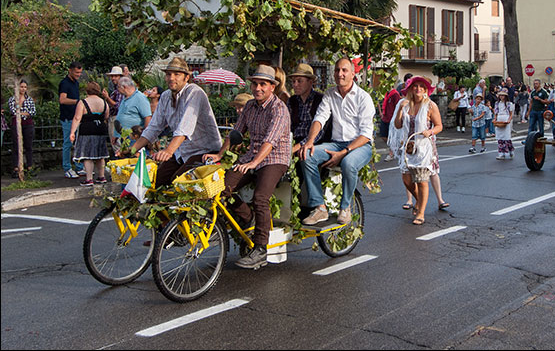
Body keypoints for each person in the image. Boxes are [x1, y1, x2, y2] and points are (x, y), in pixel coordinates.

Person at [203, 65, 291, 269]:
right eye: (255, 84)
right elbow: (236, 132)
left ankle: (260, 249)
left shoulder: (279, 109)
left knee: (261, 197)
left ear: (272, 87)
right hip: (252, 156)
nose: (257, 88)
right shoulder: (250, 106)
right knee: (220, 188)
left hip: (274, 158)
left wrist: (253, 163)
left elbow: (270, 141)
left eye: (262, 84)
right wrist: (219, 155)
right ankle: (247, 217)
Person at [300, 57, 375, 226]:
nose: (339, 74)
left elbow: (366, 134)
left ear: (353, 74)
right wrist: (310, 141)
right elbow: (320, 118)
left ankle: (345, 207)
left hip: (359, 145)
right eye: (337, 70)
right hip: (336, 143)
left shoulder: (363, 98)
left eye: (344, 70)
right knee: (307, 154)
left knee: (348, 163)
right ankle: (320, 207)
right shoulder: (330, 94)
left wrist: (343, 153)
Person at [129, 57, 222, 188]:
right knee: (154, 182)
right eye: (168, 74)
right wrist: (132, 149)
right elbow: (153, 127)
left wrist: (168, 151)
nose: (171, 78)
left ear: (186, 78)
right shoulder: (166, 96)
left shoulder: (195, 92)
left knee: (177, 184)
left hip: (204, 152)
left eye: (177, 74)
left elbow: (185, 128)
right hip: (181, 153)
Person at [393, 76, 443, 225]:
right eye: (415, 86)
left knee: (422, 181)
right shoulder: (406, 105)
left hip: (423, 148)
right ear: (410, 89)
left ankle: (421, 212)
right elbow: (397, 125)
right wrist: (400, 110)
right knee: (407, 180)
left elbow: (439, 125)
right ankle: (419, 200)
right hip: (408, 147)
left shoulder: (430, 105)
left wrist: (431, 131)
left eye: (422, 86)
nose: (418, 89)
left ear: (426, 89)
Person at [70, 82, 109, 186]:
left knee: (87, 155)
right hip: (100, 130)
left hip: (87, 130)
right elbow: (106, 116)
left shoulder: (83, 102)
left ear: (87, 91)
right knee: (101, 155)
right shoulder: (104, 102)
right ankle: (102, 176)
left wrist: (72, 132)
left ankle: (89, 178)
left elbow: (77, 117)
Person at [59, 61, 85, 178]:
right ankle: (67, 167)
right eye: (76, 72)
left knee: (78, 143)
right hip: (67, 118)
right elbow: (62, 100)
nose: (78, 74)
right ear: (70, 70)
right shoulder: (64, 83)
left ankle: (78, 167)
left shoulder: (76, 83)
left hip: (76, 117)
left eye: (80, 72)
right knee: (68, 143)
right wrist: (77, 102)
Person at [8, 79, 36, 177]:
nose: (23, 89)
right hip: (16, 123)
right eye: (21, 86)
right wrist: (22, 112)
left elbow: (32, 112)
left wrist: (21, 113)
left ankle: (29, 167)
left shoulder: (29, 99)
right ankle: (16, 168)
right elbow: (13, 111)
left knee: (28, 146)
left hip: (28, 124)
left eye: (25, 87)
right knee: (16, 146)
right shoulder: (12, 99)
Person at [115, 76, 152, 145]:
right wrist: (116, 135)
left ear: (124, 87)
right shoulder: (125, 98)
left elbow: (147, 117)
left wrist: (145, 137)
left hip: (134, 137)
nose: (117, 89)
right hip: (124, 136)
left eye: (118, 87)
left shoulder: (140, 98)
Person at [103, 66, 125, 150]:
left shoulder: (120, 89)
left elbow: (117, 106)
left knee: (116, 142)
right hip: (115, 117)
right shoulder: (116, 89)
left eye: (115, 76)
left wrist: (107, 98)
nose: (113, 78)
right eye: (112, 76)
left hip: (116, 117)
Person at [379, 83, 402, 162]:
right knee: (383, 136)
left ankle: (391, 153)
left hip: (392, 118)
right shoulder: (386, 94)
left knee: (391, 137)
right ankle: (395, 148)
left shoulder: (395, 94)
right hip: (385, 117)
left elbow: (398, 106)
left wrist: (397, 117)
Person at [493, 88, 514, 159]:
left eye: (503, 95)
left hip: (506, 118)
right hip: (499, 118)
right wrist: (495, 119)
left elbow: (511, 114)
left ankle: (510, 151)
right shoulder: (497, 103)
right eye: (500, 95)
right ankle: (501, 153)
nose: (501, 97)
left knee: (506, 137)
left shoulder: (508, 104)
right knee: (500, 137)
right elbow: (496, 112)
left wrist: (509, 120)